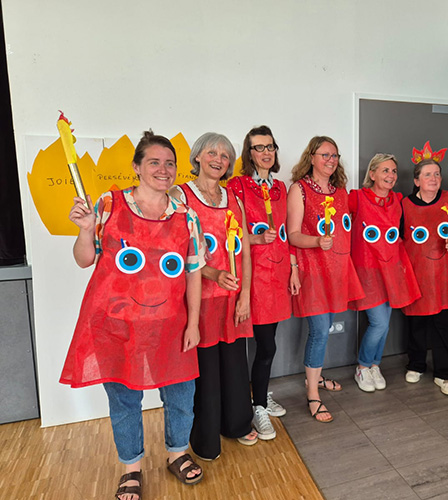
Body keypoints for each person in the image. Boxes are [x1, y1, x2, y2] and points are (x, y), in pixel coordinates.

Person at [61, 131, 204, 500]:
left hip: (170, 324)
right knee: (124, 398)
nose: (163, 169)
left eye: (170, 163)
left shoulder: (187, 216)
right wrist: (85, 230)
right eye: (154, 162)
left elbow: (192, 272)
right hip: (116, 323)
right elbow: (84, 259)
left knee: (180, 393)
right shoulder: (109, 204)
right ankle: (132, 467)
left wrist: (193, 322)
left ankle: (177, 452)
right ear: (137, 167)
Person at [170, 132, 258, 457]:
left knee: (235, 366)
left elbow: (244, 248)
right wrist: (212, 273)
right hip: (199, 301)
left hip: (231, 299)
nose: (218, 159)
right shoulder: (180, 195)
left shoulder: (232, 197)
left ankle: (236, 424)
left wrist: (245, 294)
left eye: (225, 155)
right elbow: (178, 252)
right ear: (197, 157)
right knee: (204, 372)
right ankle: (205, 439)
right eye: (212, 153)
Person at [227, 125, 300, 440]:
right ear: (249, 152)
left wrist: (294, 268)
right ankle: (252, 407)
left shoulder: (281, 188)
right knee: (251, 344)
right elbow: (229, 231)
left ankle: (261, 395)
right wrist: (256, 237)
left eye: (270, 146)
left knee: (269, 343)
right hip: (251, 277)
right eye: (259, 147)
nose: (266, 152)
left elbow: (286, 233)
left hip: (278, 273)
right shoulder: (237, 187)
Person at [287, 136, 364, 422]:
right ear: (312, 157)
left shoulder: (340, 191)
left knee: (327, 327)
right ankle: (312, 394)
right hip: (313, 271)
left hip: (337, 271)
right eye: (325, 155)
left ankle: (315, 377)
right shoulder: (299, 189)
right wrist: (318, 242)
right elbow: (292, 235)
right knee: (319, 331)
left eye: (334, 155)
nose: (331, 160)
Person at [348, 153, 421, 392]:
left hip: (391, 270)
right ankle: (362, 366)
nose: (390, 176)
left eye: (393, 171)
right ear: (372, 174)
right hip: (367, 271)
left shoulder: (398, 200)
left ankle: (374, 365)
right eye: (385, 171)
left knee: (385, 324)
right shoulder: (357, 198)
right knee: (378, 323)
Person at [401, 141, 448, 396]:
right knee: (416, 324)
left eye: (437, 174)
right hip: (416, 274)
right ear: (417, 180)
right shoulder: (404, 205)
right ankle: (416, 364)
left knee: (444, 326)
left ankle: (445, 374)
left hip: (444, 276)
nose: (434, 178)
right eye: (427, 174)